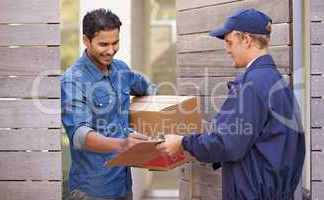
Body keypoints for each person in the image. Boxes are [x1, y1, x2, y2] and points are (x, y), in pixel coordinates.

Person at [157, 8, 305, 200]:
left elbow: (226, 143)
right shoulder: (279, 83)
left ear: (246, 39)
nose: (227, 49)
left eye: (229, 42)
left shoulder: (250, 85)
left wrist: (183, 143)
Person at [61, 8, 156, 200]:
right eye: (103, 44)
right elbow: (79, 136)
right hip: (93, 189)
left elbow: (147, 88)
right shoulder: (73, 80)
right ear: (86, 41)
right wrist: (123, 144)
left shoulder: (120, 68)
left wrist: (149, 117)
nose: (111, 50)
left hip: (123, 185)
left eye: (115, 43)